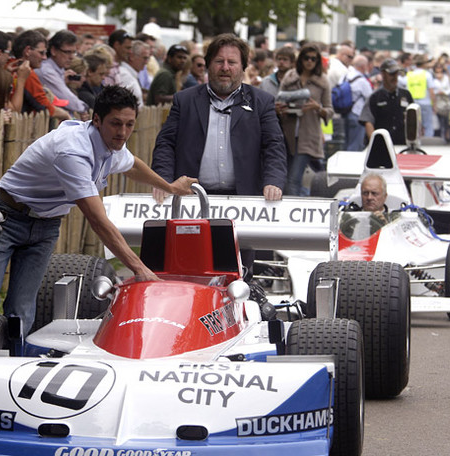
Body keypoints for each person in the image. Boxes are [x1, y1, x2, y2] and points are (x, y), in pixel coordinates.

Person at [0, 86, 196, 336]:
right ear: (96, 120)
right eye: (116, 124)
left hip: (46, 224)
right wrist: (139, 269)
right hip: (7, 217)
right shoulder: (73, 151)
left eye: (129, 125)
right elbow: (97, 220)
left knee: (21, 310)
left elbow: (132, 165)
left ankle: (12, 362)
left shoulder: (110, 143)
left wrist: (169, 187)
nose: (123, 133)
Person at [151, 33, 287, 280]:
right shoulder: (186, 99)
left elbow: (274, 146)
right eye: (219, 61)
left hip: (243, 203)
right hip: (193, 201)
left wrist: (273, 181)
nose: (225, 68)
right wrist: (162, 179)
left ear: (243, 68)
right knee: (189, 272)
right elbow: (166, 143)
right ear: (208, 64)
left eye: (232, 62)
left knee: (237, 276)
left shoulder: (262, 102)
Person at [278, 44, 333, 196]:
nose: (309, 61)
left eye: (313, 59)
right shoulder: (290, 76)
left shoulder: (323, 81)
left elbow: (330, 110)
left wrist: (317, 108)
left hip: (308, 135)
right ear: (301, 59)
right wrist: (280, 108)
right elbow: (279, 99)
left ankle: (291, 211)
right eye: (306, 58)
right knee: (285, 177)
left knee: (294, 179)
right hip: (287, 133)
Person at [359, 58, 414, 145]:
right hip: (382, 145)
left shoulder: (405, 95)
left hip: (402, 144)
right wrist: (375, 144)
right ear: (383, 74)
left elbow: (414, 119)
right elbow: (368, 122)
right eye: (391, 74)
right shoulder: (374, 97)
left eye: (396, 73)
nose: (395, 77)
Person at [36, 30, 90, 120]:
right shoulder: (46, 71)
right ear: (53, 51)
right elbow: (67, 99)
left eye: (74, 52)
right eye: (68, 52)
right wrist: (84, 108)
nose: (72, 56)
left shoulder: (58, 68)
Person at [401, 55, 436, 137]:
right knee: (428, 126)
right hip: (425, 103)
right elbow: (431, 91)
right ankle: (428, 143)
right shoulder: (427, 75)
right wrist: (434, 105)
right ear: (424, 64)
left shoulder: (409, 75)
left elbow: (404, 88)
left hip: (412, 103)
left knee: (413, 125)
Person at [344, 54, 373, 151]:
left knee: (347, 142)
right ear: (364, 66)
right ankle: (350, 165)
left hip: (346, 113)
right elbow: (370, 98)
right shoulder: (362, 81)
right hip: (357, 115)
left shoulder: (346, 76)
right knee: (355, 144)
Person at [117, 39, 150, 107]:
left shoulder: (130, 74)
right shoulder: (124, 75)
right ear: (132, 57)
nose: (146, 62)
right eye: (144, 58)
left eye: (147, 58)